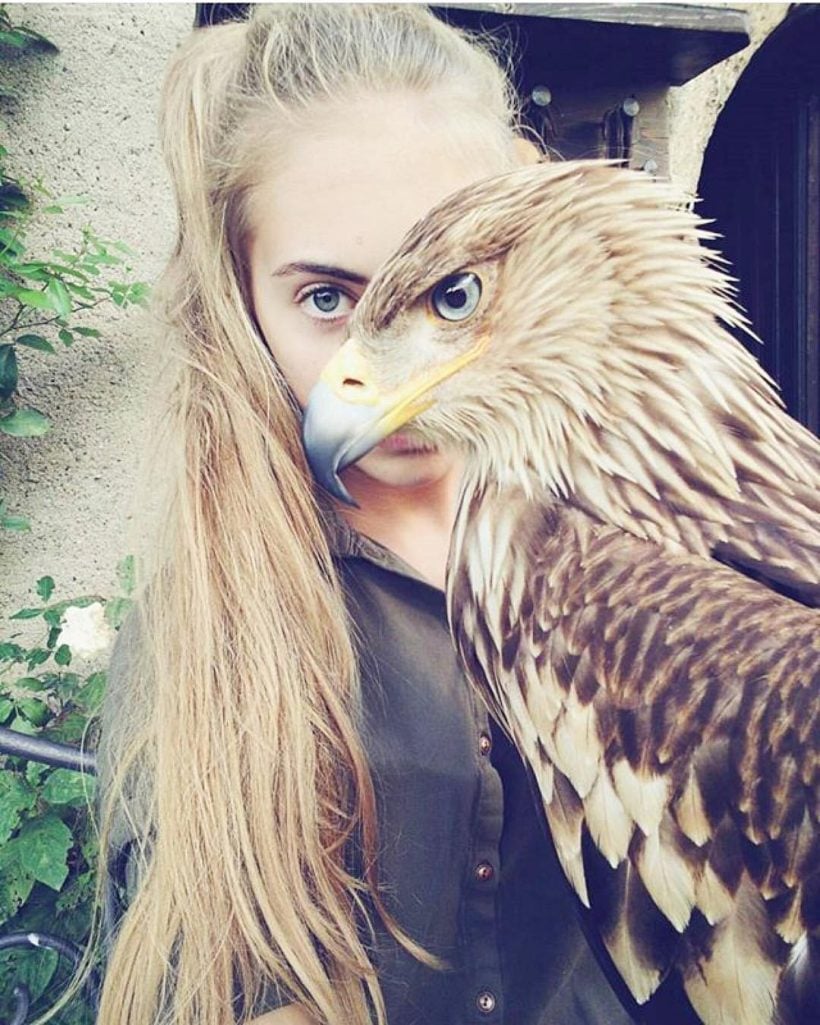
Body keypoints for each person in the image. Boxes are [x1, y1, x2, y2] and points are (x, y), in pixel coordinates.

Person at [87, 6, 699, 1025]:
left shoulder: (632, 535)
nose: (396, 374)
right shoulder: (210, 627)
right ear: (242, 304)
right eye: (328, 298)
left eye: (452, 292)